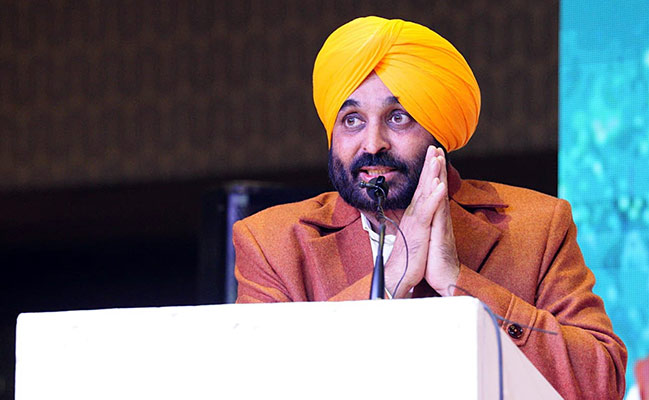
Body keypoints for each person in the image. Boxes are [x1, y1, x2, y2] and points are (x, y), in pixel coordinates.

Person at [233, 16, 627, 399]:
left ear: (438, 132)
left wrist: (459, 283)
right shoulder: (271, 243)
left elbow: (601, 384)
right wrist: (391, 279)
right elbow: (250, 382)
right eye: (352, 120)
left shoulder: (536, 226)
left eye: (398, 117)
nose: (372, 143)